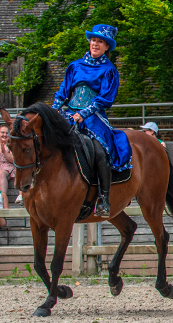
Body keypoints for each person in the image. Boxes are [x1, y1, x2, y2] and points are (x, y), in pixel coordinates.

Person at [52, 24, 132, 217]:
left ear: (107, 47)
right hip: (69, 113)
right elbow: (63, 92)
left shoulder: (109, 70)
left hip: (93, 116)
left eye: (100, 41)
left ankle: (104, 198)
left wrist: (83, 114)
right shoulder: (75, 66)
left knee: (99, 150)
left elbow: (105, 98)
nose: (95, 43)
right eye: (94, 40)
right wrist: (54, 110)